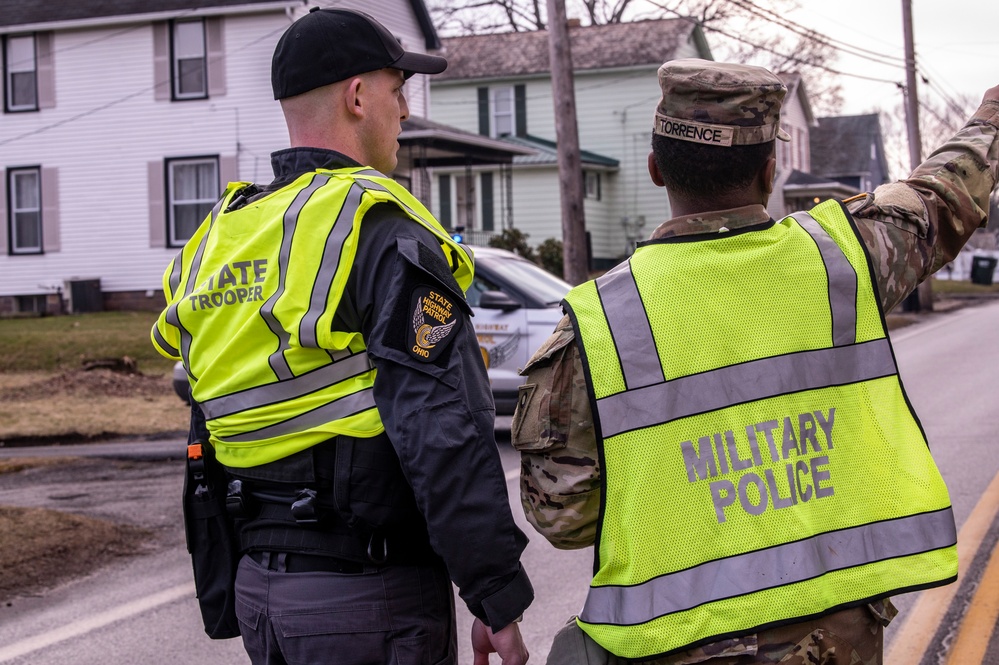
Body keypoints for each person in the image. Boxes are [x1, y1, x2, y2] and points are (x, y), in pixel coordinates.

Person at [513, 58, 999, 664]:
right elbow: (942, 194)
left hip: (676, 648)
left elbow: (564, 519)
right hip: (831, 644)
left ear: (655, 168)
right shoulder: (844, 260)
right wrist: (991, 116)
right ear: (770, 170)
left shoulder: (599, 322)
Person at [151, 8, 533, 665]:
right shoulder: (375, 228)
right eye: (397, 90)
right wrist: (493, 593)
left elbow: (205, 423)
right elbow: (441, 423)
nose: (404, 112)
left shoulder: (222, 239)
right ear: (358, 96)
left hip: (259, 594)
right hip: (369, 599)